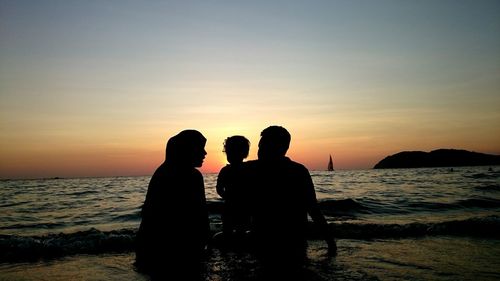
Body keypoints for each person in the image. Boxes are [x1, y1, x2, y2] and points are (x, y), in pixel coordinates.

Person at [248, 125, 336, 279]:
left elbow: (313, 208)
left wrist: (331, 243)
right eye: (259, 147)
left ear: (282, 148)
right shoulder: (252, 169)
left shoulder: (297, 171)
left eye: (264, 147)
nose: (259, 151)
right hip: (264, 239)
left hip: (291, 241)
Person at [135, 129, 209, 280]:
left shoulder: (161, 172)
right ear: (187, 150)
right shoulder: (193, 177)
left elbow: (149, 217)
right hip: (178, 249)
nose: (205, 153)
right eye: (201, 148)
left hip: (151, 248)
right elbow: (200, 215)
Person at [215, 135, 251, 246]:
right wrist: (226, 196)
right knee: (232, 229)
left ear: (244, 154)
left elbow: (219, 188)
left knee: (238, 230)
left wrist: (226, 195)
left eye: (232, 152)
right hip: (233, 205)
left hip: (238, 205)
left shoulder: (246, 169)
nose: (230, 155)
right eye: (228, 153)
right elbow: (219, 188)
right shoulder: (247, 169)